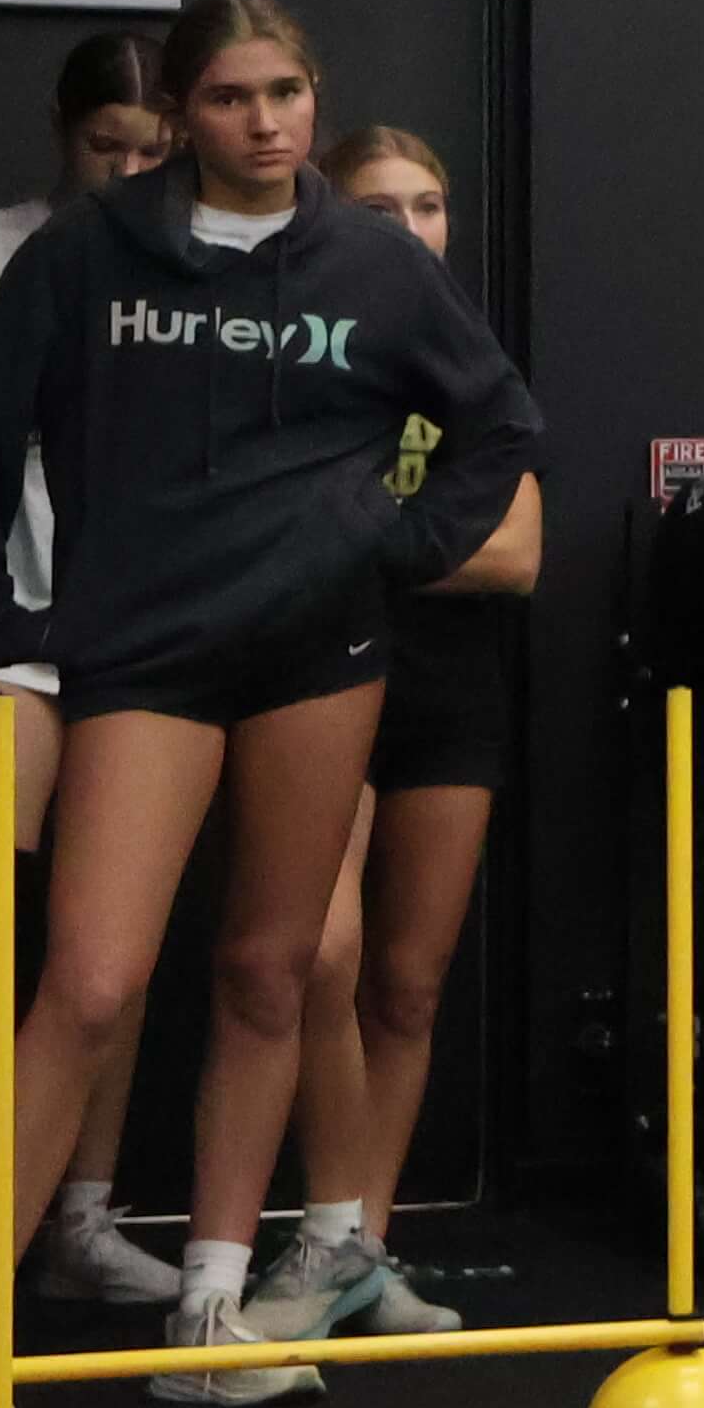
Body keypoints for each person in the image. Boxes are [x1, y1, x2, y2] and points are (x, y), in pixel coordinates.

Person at [0, 0, 541, 1406]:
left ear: (316, 98)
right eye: (231, 99)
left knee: (270, 972)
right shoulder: (86, 256)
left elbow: (497, 424)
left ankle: (212, 1316)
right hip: (143, 659)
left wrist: (391, 547)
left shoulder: (372, 268)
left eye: (288, 94)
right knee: (87, 980)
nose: (265, 123)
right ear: (185, 116)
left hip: (318, 658)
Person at [0, 30, 188, 1358]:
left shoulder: (205, 267)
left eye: (147, 150)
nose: (125, 168)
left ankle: (74, 1219)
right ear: (62, 134)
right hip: (12, 627)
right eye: (102, 147)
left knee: (104, 941)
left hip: (148, 631)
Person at [244, 126, 543, 1346]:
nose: (411, 228)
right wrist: (409, 548)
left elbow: (519, 555)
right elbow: (265, 539)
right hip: (318, 679)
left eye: (430, 205)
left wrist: (354, 541)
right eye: (381, 206)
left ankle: (361, 1249)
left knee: (408, 986)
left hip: (449, 696)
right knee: (317, 956)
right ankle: (320, 1230)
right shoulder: (296, 345)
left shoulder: (463, 358)